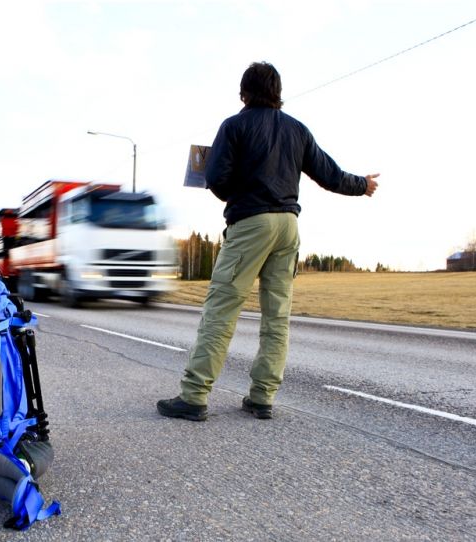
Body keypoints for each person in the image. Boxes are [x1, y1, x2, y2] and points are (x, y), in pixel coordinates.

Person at [157, 61, 379, 421]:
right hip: (289, 226)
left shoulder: (234, 126)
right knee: (277, 317)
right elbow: (329, 174)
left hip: (250, 224)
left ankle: (194, 396)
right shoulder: (297, 130)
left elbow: (215, 178)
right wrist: (362, 185)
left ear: (244, 91)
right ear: (278, 92)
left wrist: (238, 193)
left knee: (221, 310)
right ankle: (262, 397)